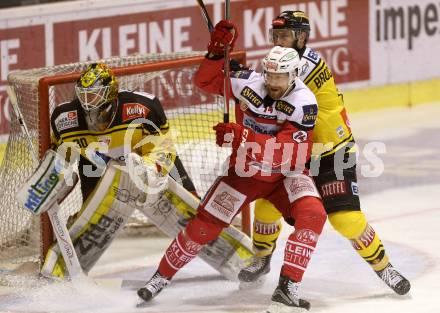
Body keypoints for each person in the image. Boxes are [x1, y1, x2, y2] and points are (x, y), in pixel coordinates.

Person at [137, 20, 326, 312]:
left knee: (313, 215)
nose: (274, 83)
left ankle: (287, 288)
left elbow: (289, 152)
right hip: (243, 173)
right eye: (271, 75)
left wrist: (243, 135)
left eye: (281, 76)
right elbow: (205, 82)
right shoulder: (247, 82)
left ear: (295, 74)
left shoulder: (304, 102)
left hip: (285, 175)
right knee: (203, 227)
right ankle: (160, 278)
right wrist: (215, 52)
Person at [238, 11, 411, 296]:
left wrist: (236, 75)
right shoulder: (281, 62)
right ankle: (261, 259)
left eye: (285, 36)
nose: (278, 42)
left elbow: (267, 93)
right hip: (296, 149)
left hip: (331, 149)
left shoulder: (303, 65)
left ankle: (384, 267)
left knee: (346, 219)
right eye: (275, 36)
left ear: (301, 37)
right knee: (267, 205)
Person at [41, 63, 197, 279]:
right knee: (89, 220)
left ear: (112, 95)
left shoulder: (143, 106)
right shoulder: (64, 119)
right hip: (95, 165)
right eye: (86, 99)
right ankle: (64, 260)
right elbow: (60, 160)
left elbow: (164, 147)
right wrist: (50, 183)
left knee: (192, 200)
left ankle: (204, 221)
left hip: (142, 157)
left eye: (97, 101)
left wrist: (153, 168)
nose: (90, 106)